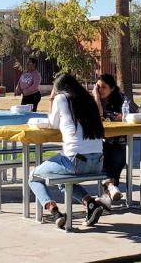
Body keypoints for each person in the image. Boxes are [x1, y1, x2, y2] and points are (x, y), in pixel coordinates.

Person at [29, 74, 106, 230]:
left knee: (33, 177)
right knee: (62, 180)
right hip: (98, 161)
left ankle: (54, 212)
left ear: (59, 90)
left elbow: (52, 123)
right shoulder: (89, 100)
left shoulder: (61, 99)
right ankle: (90, 204)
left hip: (75, 161)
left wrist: (52, 99)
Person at [92, 73, 138, 206]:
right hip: (106, 144)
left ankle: (109, 192)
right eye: (98, 87)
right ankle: (110, 193)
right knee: (108, 171)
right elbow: (97, 116)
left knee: (107, 169)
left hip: (121, 144)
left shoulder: (121, 98)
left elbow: (136, 112)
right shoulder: (96, 99)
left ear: (112, 88)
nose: (100, 90)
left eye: (103, 87)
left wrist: (126, 116)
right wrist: (96, 97)